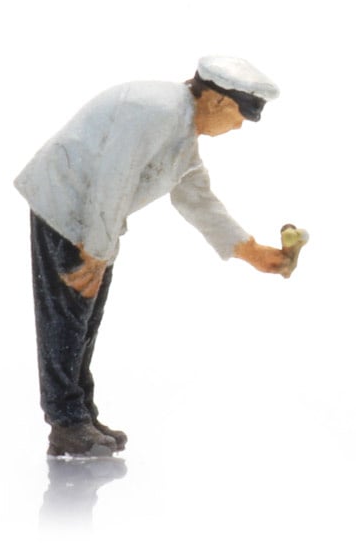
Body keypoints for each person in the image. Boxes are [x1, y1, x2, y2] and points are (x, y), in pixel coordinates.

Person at [15, 56, 291, 456]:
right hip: (66, 206)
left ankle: (79, 413)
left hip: (88, 221)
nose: (237, 126)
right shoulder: (157, 112)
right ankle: (66, 422)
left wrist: (251, 252)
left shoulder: (180, 129)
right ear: (215, 100)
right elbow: (114, 179)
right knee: (66, 320)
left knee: (83, 321)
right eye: (239, 115)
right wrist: (96, 252)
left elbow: (196, 197)